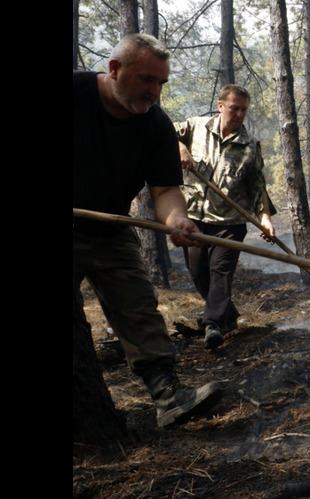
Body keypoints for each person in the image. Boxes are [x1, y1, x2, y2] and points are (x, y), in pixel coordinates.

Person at [74, 33, 222, 428]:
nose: (154, 91)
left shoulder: (156, 126)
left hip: (111, 227)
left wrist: (176, 221)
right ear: (114, 69)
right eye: (146, 80)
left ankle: (168, 396)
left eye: (161, 83)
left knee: (139, 308)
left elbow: (165, 190)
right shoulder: (75, 93)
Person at [175, 84, 276, 349]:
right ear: (221, 106)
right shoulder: (194, 127)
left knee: (220, 271)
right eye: (234, 108)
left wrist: (264, 217)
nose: (240, 114)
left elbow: (257, 186)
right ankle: (228, 315)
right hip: (193, 216)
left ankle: (212, 325)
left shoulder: (250, 147)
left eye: (244, 109)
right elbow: (160, 132)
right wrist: (179, 147)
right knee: (199, 273)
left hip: (229, 222)